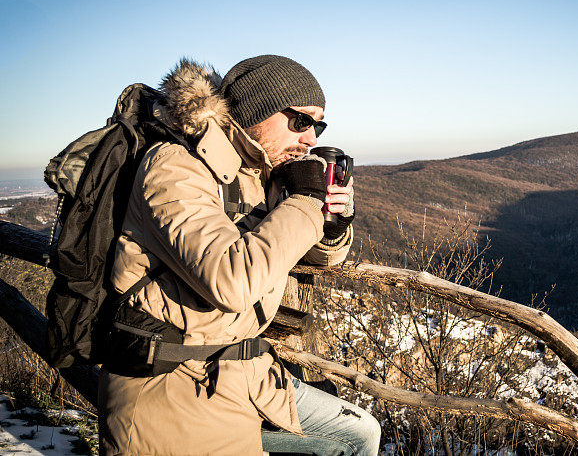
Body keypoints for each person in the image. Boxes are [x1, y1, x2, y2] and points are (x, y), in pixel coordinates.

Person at [98, 55, 381, 455]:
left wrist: (331, 223)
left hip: (245, 370)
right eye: (301, 121)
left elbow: (309, 255)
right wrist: (304, 200)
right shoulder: (177, 167)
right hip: (176, 382)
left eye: (318, 126)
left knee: (358, 435)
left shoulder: (257, 174)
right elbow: (232, 281)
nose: (310, 139)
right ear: (256, 110)